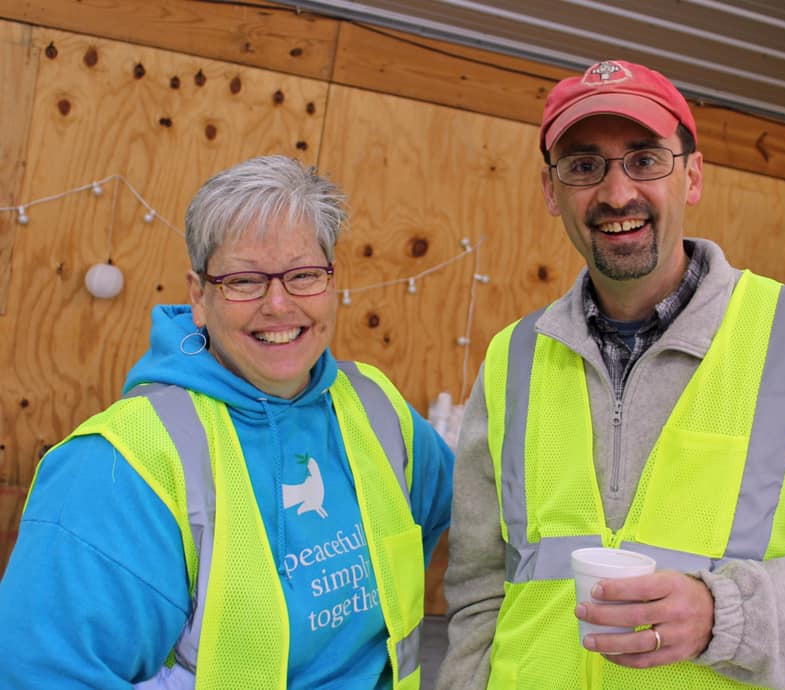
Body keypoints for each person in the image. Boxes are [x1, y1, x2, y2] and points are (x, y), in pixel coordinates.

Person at [436, 60, 785, 690]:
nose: (616, 194)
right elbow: (480, 588)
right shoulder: (514, 358)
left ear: (692, 176)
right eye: (584, 166)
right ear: (549, 188)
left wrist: (727, 613)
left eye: (645, 159)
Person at [0, 155, 453, 689]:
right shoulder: (120, 463)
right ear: (198, 295)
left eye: (304, 275)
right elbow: (40, 673)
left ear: (331, 283)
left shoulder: (378, 408)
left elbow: (483, 515)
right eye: (243, 281)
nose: (279, 305)